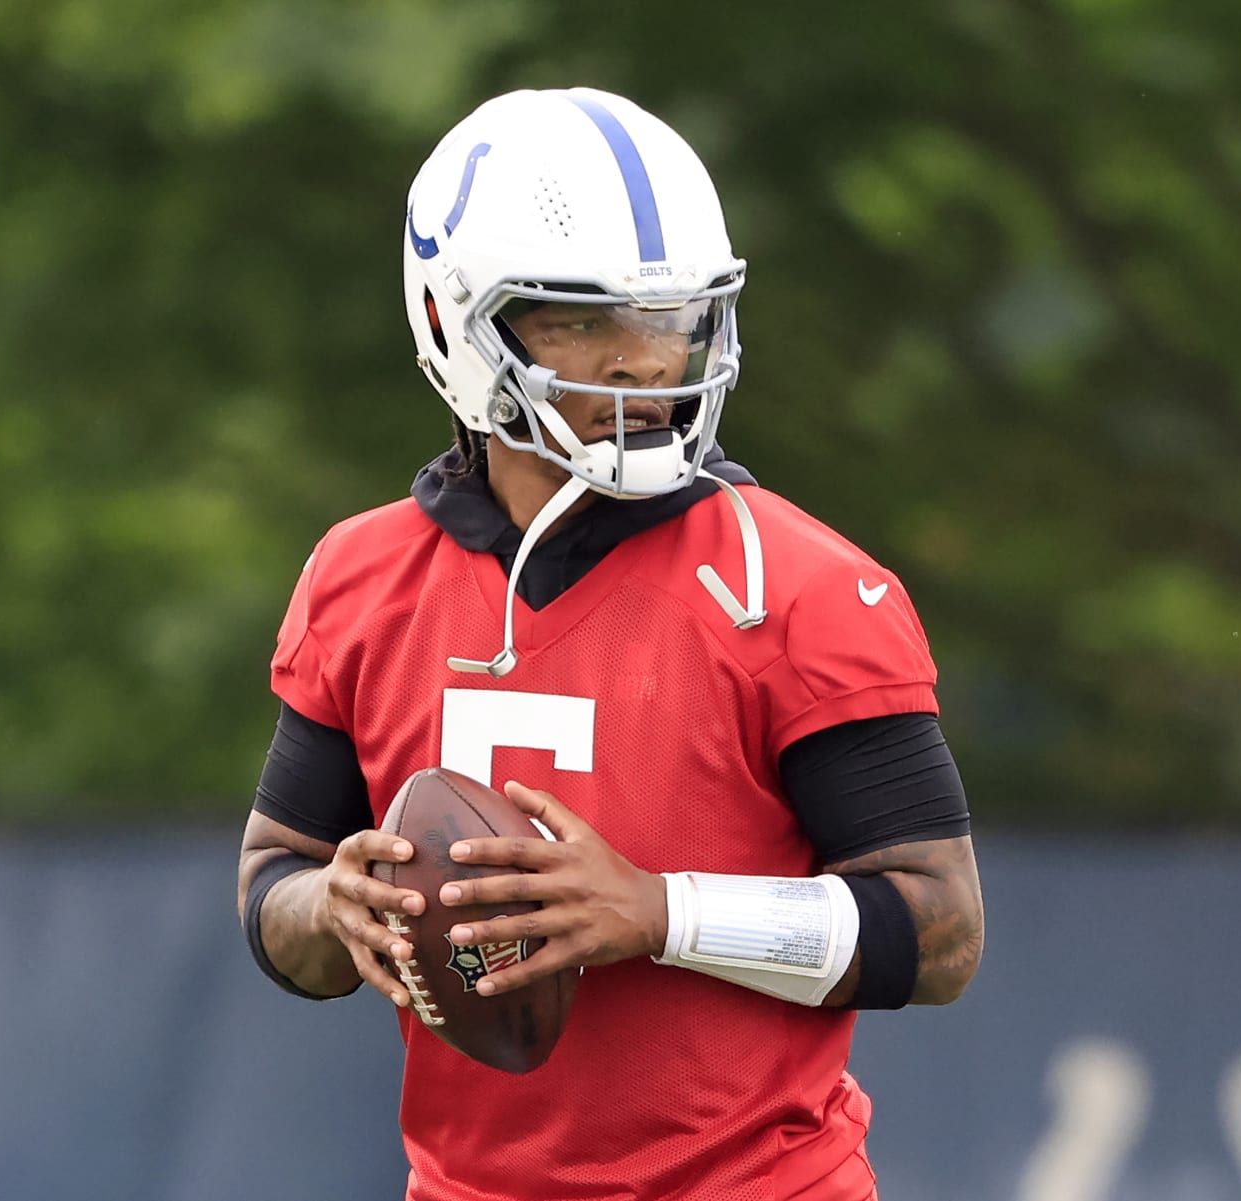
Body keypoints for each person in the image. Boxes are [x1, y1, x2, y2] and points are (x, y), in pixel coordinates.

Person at [236, 86, 984, 1201]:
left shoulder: (803, 588)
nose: (641, 361)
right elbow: (273, 884)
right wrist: (334, 909)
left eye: (671, 317)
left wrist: (658, 912)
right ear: (451, 322)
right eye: (581, 319)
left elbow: (942, 937)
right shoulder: (362, 576)